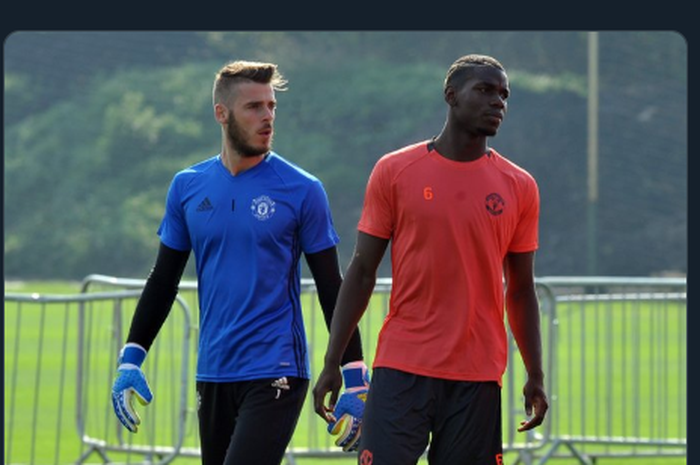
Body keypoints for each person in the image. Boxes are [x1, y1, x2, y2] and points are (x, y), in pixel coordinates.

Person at [110, 60, 369, 465]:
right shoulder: (187, 186)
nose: (267, 116)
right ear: (221, 113)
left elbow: (331, 286)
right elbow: (163, 280)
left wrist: (354, 375)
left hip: (276, 369)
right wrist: (131, 357)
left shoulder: (302, 189)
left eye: (271, 106)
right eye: (254, 107)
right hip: (212, 371)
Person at [312, 54, 549, 465]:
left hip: (477, 373)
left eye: (504, 95)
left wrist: (535, 374)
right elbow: (363, 270)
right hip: (403, 365)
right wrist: (334, 361)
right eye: (486, 90)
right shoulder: (395, 171)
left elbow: (522, 289)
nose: (499, 102)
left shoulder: (520, 186)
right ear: (451, 95)